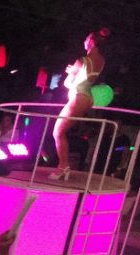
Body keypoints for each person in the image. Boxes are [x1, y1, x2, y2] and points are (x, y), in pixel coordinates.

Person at [51, 29, 109, 180]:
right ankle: (64, 166)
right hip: (87, 98)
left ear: (91, 41)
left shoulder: (82, 61)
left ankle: (63, 167)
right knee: (61, 132)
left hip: (78, 97)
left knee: (57, 132)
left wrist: (70, 72)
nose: (84, 41)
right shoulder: (101, 60)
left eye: (86, 39)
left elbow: (68, 83)